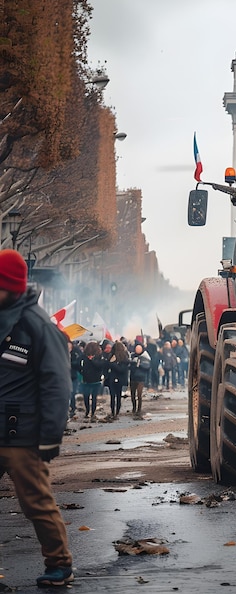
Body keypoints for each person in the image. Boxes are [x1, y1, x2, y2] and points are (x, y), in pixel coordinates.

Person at [0, 249, 74, 586]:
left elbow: (57, 385)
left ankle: (59, 565)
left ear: (10, 287)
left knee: (36, 503)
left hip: (23, 434)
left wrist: (50, 437)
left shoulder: (39, 325)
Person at [80, 341, 105, 421]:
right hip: (89, 379)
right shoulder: (84, 356)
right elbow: (79, 364)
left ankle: (92, 412)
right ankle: (88, 411)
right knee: (88, 397)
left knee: (92, 397)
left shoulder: (98, 356)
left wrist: (92, 360)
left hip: (93, 380)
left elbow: (100, 366)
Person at [108, 341, 130, 419]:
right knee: (117, 396)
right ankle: (115, 412)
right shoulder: (124, 357)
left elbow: (121, 369)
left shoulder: (122, 358)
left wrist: (112, 363)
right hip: (117, 379)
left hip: (115, 378)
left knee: (114, 396)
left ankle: (114, 412)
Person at [130, 343, 151, 418]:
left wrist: (139, 365)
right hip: (133, 377)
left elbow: (147, 366)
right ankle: (134, 408)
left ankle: (139, 409)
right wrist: (133, 364)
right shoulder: (132, 356)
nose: (137, 350)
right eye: (136, 349)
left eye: (139, 349)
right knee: (132, 394)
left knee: (139, 394)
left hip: (141, 378)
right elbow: (129, 366)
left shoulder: (145, 356)